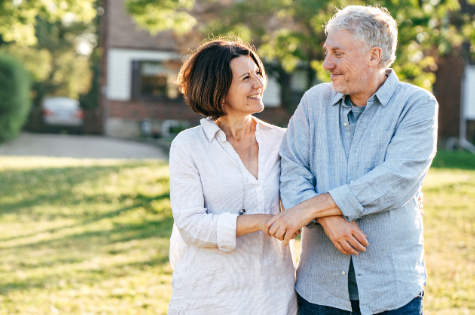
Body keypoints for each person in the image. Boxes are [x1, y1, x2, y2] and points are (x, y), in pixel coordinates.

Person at [266, 5, 437, 315]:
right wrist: (328, 219)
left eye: (338, 54)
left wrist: (307, 210)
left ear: (374, 56)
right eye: (327, 52)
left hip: (392, 292)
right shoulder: (313, 102)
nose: (327, 64)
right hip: (320, 290)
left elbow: (393, 181)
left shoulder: (417, 106)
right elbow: (292, 170)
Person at [167, 39, 297, 315]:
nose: (258, 84)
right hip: (210, 297)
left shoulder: (282, 141)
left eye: (258, 73)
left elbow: (300, 197)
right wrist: (260, 222)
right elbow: (190, 225)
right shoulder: (189, 145)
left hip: (273, 294)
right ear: (218, 88)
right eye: (246, 78)